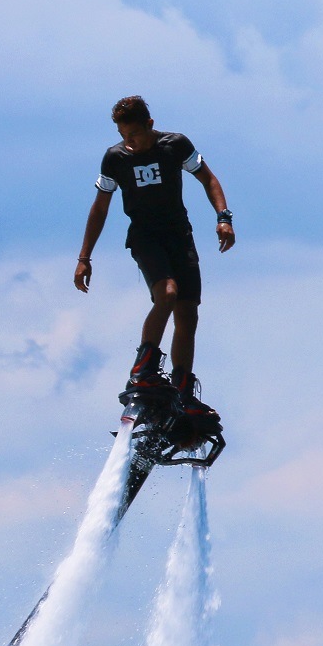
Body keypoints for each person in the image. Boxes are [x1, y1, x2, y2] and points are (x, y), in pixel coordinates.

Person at [74, 95, 234, 429]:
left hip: (180, 236)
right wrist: (85, 257)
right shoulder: (115, 158)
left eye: (133, 134)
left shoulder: (174, 145)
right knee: (168, 293)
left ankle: (182, 390)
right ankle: (144, 367)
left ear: (149, 124)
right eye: (122, 135)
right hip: (146, 238)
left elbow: (209, 178)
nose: (128, 142)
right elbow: (100, 207)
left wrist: (223, 217)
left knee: (188, 313)